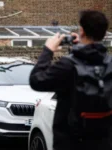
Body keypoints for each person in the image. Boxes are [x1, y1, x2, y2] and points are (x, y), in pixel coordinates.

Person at [29, 10, 111, 150]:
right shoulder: (109, 63)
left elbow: (37, 80)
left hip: (71, 142)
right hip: (104, 142)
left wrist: (48, 50)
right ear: (103, 33)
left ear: (82, 31)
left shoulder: (68, 65)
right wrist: (78, 49)